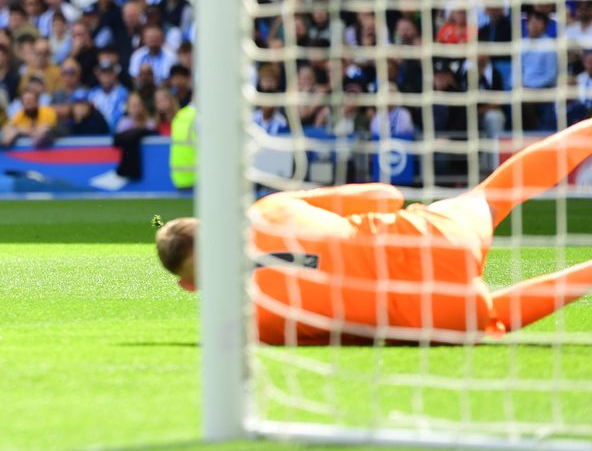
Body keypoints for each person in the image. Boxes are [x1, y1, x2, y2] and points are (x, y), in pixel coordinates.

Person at [155, 120, 592, 345]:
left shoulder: (256, 325)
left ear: (189, 285)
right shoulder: (267, 209)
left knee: (489, 318)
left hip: (437, 313)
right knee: (493, 195)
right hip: (432, 238)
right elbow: (386, 196)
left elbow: (346, 335)